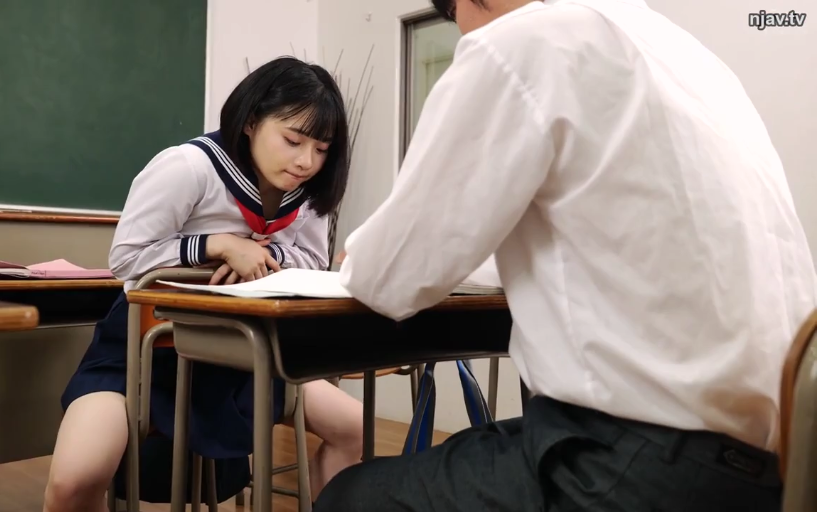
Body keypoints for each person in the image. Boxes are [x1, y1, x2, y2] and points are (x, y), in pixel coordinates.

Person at [315, 0, 817, 511]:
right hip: (779, 471)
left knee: (349, 498)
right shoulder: (696, 62)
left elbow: (390, 275)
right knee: (475, 445)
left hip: (645, 467)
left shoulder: (521, 42)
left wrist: (357, 254)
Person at [44, 56, 364, 512]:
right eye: (293, 140)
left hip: (245, 357)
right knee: (74, 480)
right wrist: (218, 245)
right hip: (147, 355)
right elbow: (126, 258)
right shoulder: (188, 167)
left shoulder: (308, 193)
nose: (306, 161)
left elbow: (312, 261)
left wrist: (265, 257)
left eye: (322, 148)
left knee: (356, 428)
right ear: (251, 122)